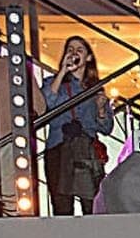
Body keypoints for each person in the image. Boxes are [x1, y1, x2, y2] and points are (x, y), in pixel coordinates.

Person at [42, 36, 113, 215]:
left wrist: (101, 109)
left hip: (86, 150)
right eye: (70, 49)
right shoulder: (53, 83)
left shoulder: (95, 89)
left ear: (88, 57)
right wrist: (62, 71)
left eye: (79, 50)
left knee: (91, 204)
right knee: (62, 205)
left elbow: (107, 128)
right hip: (59, 147)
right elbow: (47, 103)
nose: (74, 53)